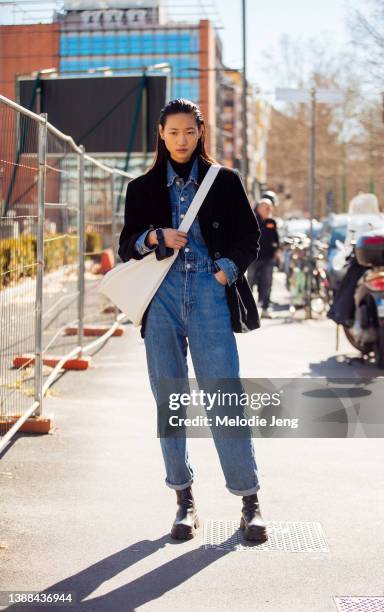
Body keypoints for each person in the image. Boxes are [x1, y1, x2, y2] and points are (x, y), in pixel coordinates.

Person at [118, 98, 268, 543]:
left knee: (225, 396)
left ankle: (249, 501)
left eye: (189, 131)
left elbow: (250, 235)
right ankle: (183, 501)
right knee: (170, 401)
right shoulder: (141, 188)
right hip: (161, 300)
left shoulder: (224, 181)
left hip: (208, 295)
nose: (182, 140)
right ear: (161, 135)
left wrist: (228, 268)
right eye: (173, 132)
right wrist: (153, 236)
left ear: (200, 132)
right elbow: (127, 244)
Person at [247, 194, 280, 318]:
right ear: (259, 208)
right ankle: (248, 310)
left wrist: (277, 252)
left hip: (268, 259)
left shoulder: (271, 222)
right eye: (265, 207)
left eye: (269, 207)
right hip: (254, 259)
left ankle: (265, 309)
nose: (268, 210)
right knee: (250, 283)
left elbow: (276, 239)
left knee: (267, 283)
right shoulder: (252, 220)